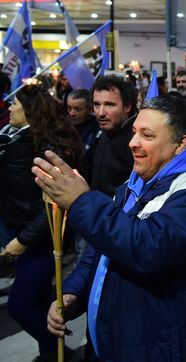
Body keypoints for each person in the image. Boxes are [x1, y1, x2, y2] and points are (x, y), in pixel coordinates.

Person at [37, 95, 186, 360]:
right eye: (135, 132)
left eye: (146, 135)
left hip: (176, 348)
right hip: (131, 340)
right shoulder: (135, 184)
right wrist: (73, 292)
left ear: (179, 144)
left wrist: (81, 201)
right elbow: (102, 250)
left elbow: (147, 247)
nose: (132, 142)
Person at [0, 84, 82, 361]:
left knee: (20, 305)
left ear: (30, 111)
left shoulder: (48, 150)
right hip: (25, 232)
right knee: (37, 301)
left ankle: (62, 353)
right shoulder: (16, 140)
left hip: (44, 240)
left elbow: (53, 206)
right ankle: (50, 353)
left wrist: (22, 240)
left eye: (15, 104)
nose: (9, 108)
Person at [90, 75, 137, 196]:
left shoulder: (136, 142)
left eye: (109, 105)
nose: (100, 113)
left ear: (127, 107)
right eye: (96, 104)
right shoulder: (103, 134)